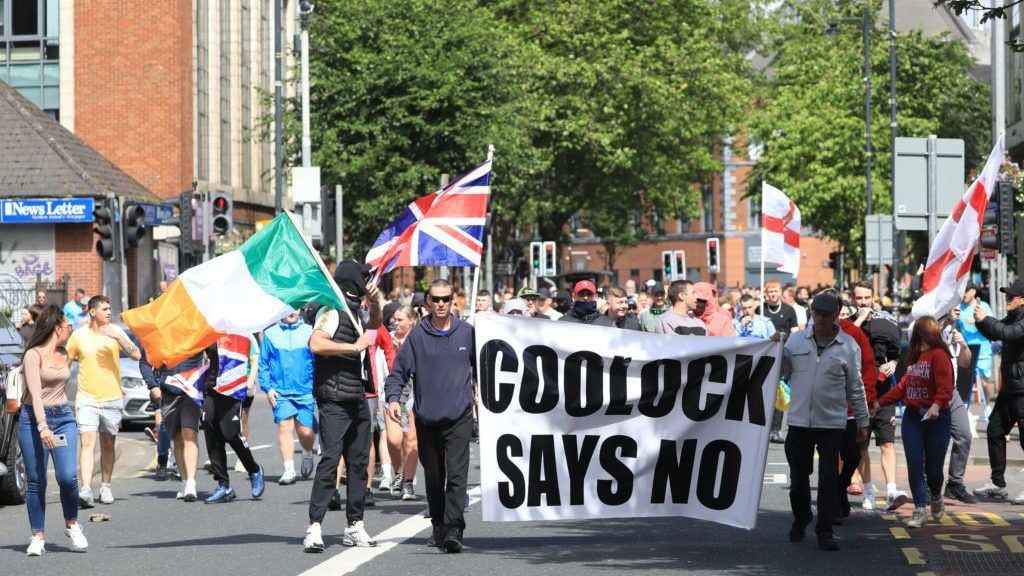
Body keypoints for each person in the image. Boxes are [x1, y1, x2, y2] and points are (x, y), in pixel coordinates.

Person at [385, 279, 474, 553]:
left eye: (446, 298)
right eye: (435, 299)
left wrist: (486, 395)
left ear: (454, 300)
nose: (441, 304)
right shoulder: (417, 336)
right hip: (427, 418)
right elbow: (398, 373)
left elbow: (485, 368)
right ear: (427, 302)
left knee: (457, 476)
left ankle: (454, 528)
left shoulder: (467, 333)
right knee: (435, 478)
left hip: (459, 415)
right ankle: (438, 525)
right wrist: (393, 399)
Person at [304, 260, 382, 552]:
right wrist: (353, 347)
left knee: (359, 464)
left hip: (358, 396)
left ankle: (354, 526)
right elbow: (316, 343)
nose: (368, 280)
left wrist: (375, 301)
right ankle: (314, 527)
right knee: (330, 459)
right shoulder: (332, 310)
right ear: (353, 281)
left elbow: (375, 323)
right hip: (334, 398)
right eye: (365, 278)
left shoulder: (354, 307)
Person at [782, 292, 870, 551]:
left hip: (832, 423)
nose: (820, 319)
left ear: (836, 316)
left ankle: (825, 530)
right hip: (799, 422)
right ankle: (801, 518)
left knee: (828, 479)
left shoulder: (848, 346)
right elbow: (779, 373)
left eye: (826, 315)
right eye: (816, 313)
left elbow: (856, 387)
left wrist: (863, 422)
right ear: (812, 313)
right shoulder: (795, 342)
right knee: (798, 478)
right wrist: (774, 349)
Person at [18, 305, 88, 555]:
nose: (70, 329)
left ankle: (72, 524)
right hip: (33, 420)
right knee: (36, 480)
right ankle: (37, 536)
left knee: (68, 476)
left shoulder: (66, 353)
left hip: (63, 418)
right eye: (67, 326)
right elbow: (36, 396)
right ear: (56, 327)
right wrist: (42, 426)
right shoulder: (33, 355)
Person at [875, 316, 954, 528]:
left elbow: (946, 386)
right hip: (913, 417)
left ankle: (936, 494)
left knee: (934, 468)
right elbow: (903, 386)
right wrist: (879, 403)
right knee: (914, 463)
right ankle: (920, 508)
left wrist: (937, 405)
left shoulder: (939, 355)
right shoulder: (914, 357)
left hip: (936, 418)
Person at [65, 295, 141, 508]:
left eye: (110, 308)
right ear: (92, 311)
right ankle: (86, 489)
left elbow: (136, 355)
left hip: (112, 397)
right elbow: (66, 363)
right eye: (105, 309)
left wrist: (119, 337)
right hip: (86, 398)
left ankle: (106, 486)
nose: (109, 312)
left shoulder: (115, 332)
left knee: (108, 444)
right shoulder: (78, 336)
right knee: (87, 443)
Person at [851, 280, 908, 510]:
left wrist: (893, 363)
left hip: (883, 393)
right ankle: (868, 493)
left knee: (887, 442)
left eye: (866, 298)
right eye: (859, 298)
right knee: (861, 446)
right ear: (853, 299)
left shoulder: (886, 321)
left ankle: (892, 491)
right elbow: (847, 342)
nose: (863, 302)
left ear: (873, 297)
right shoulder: (849, 324)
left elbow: (897, 351)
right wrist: (861, 319)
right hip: (859, 394)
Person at [140, 344, 218, 501]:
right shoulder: (161, 331)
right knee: (178, 439)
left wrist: (208, 380)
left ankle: (191, 484)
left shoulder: (196, 329)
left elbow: (214, 354)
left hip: (191, 391)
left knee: (189, 433)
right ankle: (184, 482)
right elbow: (145, 361)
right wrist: (152, 385)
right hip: (168, 393)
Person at [972, 279, 1024, 504]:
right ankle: (998, 484)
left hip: (1022, 389)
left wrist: (987, 319)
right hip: (1010, 387)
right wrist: (980, 322)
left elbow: (1008, 333)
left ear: (1023, 300)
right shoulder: (1014, 316)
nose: (1007, 300)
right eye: (1006, 296)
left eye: (1011, 297)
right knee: (994, 430)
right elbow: (996, 332)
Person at [202, 333, 266, 503]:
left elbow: (254, 357)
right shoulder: (209, 330)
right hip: (212, 386)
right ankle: (224, 485)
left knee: (230, 433)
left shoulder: (241, 329)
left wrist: (251, 380)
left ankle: (254, 469)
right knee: (211, 434)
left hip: (232, 388)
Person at [259, 311, 317, 485]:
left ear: (300, 310)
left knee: (305, 432)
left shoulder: (310, 331)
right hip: (280, 392)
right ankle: (289, 469)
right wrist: (268, 389)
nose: (292, 311)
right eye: (287, 308)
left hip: (305, 391)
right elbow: (264, 364)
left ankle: (307, 453)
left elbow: (318, 362)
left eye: (295, 308)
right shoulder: (270, 334)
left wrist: (317, 386)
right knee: (285, 426)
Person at [836, 299, 876, 513]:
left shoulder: (855, 334)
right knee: (831, 455)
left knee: (853, 453)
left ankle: (842, 488)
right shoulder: (814, 333)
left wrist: (868, 400)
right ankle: (836, 498)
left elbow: (868, 368)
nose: (840, 317)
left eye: (843, 313)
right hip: (825, 409)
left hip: (852, 407)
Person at [379, 306, 420, 500]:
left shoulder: (419, 338)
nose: (395, 323)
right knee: (394, 441)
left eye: (400, 319)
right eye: (394, 319)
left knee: (411, 440)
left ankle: (409, 483)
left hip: (414, 393)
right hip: (392, 394)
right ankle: (399, 472)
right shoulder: (387, 337)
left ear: (411, 320)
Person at [938, 309, 977, 505]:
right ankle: (929, 485)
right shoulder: (930, 325)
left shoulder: (954, 331)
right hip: (933, 392)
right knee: (933, 441)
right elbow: (925, 340)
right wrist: (945, 322)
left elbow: (965, 362)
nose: (956, 312)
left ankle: (954, 483)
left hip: (951, 393)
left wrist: (963, 345)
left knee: (964, 435)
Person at [958, 282, 994, 403]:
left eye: (966, 291)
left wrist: (976, 321)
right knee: (964, 381)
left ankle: (987, 405)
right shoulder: (959, 308)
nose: (964, 294)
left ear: (973, 291)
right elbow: (956, 327)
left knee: (984, 381)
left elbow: (992, 324)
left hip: (983, 350)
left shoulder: (982, 306)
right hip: (966, 351)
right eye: (962, 291)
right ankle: (965, 409)